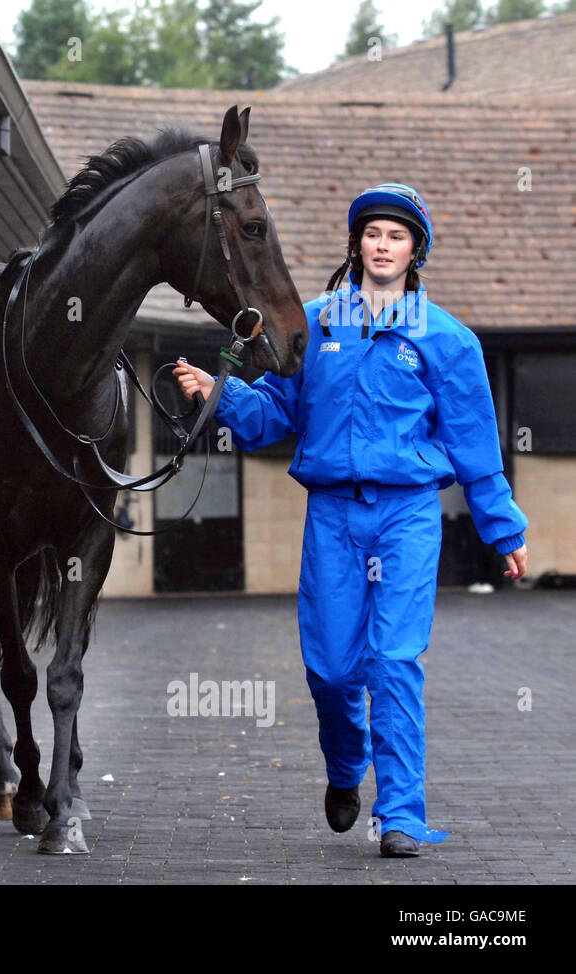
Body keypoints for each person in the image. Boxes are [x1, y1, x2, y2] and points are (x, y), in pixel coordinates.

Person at [174, 183, 528, 858]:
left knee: (394, 661)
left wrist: (503, 530)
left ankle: (400, 814)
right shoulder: (313, 325)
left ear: (415, 249)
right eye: (373, 235)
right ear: (357, 244)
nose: (383, 246)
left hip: (408, 515)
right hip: (333, 516)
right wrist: (219, 394)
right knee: (334, 672)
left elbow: (476, 445)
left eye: (397, 236)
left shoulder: (448, 341)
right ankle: (344, 770)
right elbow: (274, 415)